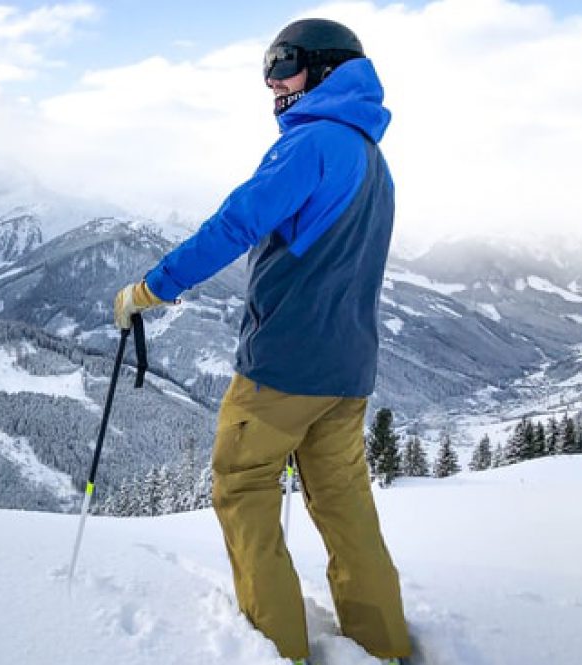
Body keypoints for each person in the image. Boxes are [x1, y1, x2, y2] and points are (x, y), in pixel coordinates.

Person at [112, 18, 412, 665]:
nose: (272, 83)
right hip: (349, 373)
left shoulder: (310, 145)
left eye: (283, 64)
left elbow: (236, 223)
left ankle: (278, 650)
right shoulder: (373, 161)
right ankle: (384, 646)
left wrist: (149, 289)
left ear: (326, 69)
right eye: (268, 69)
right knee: (344, 506)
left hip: (282, 370)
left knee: (243, 486)